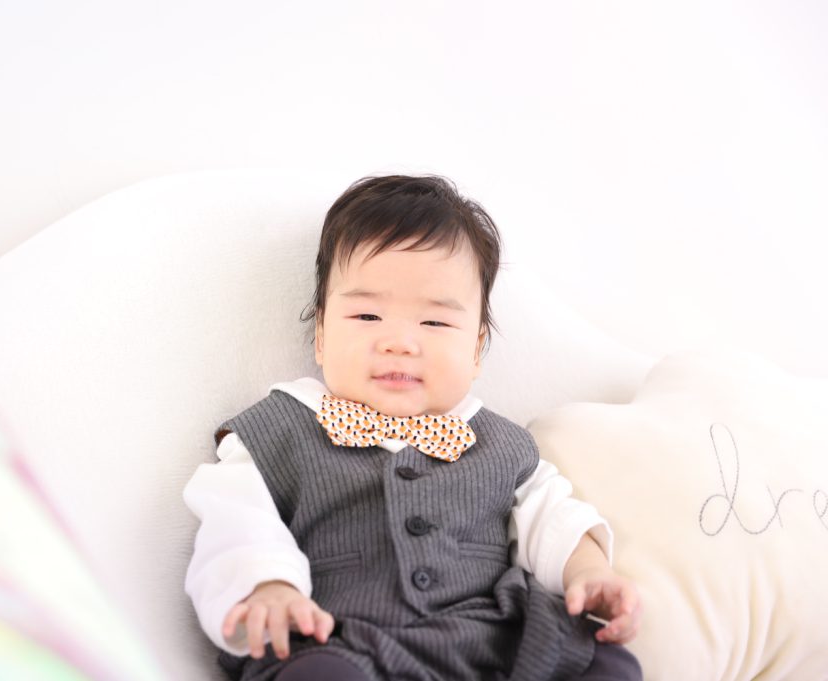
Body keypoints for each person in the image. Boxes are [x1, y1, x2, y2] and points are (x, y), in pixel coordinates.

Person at [183, 175, 643, 681]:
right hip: (343, 639)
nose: (400, 342)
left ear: (476, 350)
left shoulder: (503, 445)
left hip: (494, 642)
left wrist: (589, 573)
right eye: (367, 315)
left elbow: (554, 519)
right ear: (321, 335)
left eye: (435, 323)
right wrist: (268, 587)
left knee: (604, 660)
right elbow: (236, 520)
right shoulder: (279, 429)